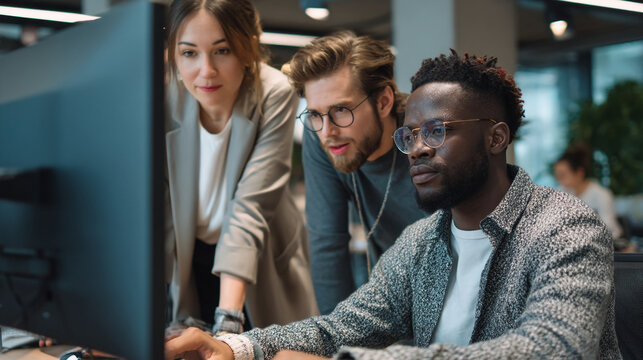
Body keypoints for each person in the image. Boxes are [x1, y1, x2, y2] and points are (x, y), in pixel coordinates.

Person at [164, 51, 620, 360]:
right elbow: (341, 328)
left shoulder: (566, 228)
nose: (419, 149)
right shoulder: (422, 241)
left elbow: (553, 347)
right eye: (412, 135)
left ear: (497, 138)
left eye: (438, 131)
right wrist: (236, 348)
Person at [164, 0, 318, 334]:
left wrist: (228, 321)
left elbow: (251, 207)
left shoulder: (273, 92)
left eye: (222, 51)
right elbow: (158, 216)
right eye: (189, 53)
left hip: (260, 260)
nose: (206, 70)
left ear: (248, 45)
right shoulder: (163, 100)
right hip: (188, 263)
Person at [283, 32, 426, 314]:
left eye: (341, 110)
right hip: (395, 297)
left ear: (384, 102)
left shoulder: (428, 138)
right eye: (314, 114)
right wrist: (336, 346)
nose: (327, 131)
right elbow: (327, 243)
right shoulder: (322, 136)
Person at [554, 144, 624, 240]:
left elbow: (609, 230)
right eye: (557, 176)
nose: (559, 180)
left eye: (563, 176)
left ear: (579, 173)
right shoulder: (561, 193)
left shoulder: (602, 195)